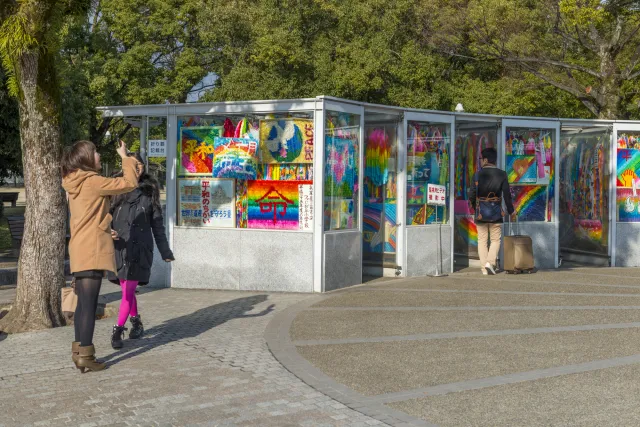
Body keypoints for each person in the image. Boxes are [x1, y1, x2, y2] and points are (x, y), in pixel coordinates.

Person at [62, 140, 138, 373]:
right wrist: (125, 156)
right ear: (85, 157)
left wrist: (103, 222)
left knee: (83, 305)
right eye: (95, 151)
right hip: (93, 248)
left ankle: (78, 353)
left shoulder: (72, 182)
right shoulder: (93, 181)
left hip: (79, 247)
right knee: (89, 304)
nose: (98, 154)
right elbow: (129, 182)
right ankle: (86, 354)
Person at [109, 153, 174, 349]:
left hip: (140, 249)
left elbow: (157, 224)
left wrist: (165, 251)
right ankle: (136, 321)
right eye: (133, 165)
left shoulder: (149, 191)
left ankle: (117, 330)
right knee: (126, 289)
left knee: (128, 291)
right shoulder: (116, 187)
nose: (137, 169)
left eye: (139, 165)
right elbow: (106, 214)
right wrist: (107, 229)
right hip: (120, 246)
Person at [469, 147, 515, 275]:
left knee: (482, 240)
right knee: (495, 239)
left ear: (485, 160)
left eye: (481, 159)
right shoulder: (502, 174)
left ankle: (484, 268)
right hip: (496, 211)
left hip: (481, 211)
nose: (480, 161)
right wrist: (511, 211)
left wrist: (475, 207)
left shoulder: (477, 175)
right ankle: (490, 262)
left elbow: (472, 194)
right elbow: (507, 195)